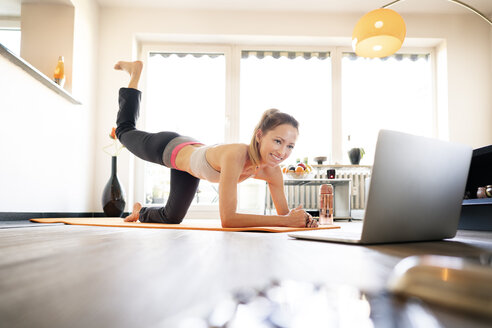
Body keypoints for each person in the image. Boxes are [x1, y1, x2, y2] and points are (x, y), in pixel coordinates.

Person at [114, 60, 318, 228]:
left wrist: (302, 219)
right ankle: (134, 73)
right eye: (277, 141)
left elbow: (285, 217)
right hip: (170, 147)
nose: (283, 152)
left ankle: (139, 211)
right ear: (259, 136)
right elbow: (228, 220)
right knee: (124, 131)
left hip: (191, 165)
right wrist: (286, 220)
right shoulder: (236, 155)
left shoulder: (273, 172)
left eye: (290, 146)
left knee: (172, 218)